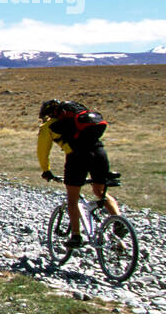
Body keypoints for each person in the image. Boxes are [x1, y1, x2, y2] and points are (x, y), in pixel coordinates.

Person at [37, 99, 121, 248]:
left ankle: (76, 236)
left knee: (72, 199)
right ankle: (119, 222)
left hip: (77, 158)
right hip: (99, 152)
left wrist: (46, 171)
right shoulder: (80, 121)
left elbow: (43, 152)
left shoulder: (48, 127)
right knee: (100, 191)